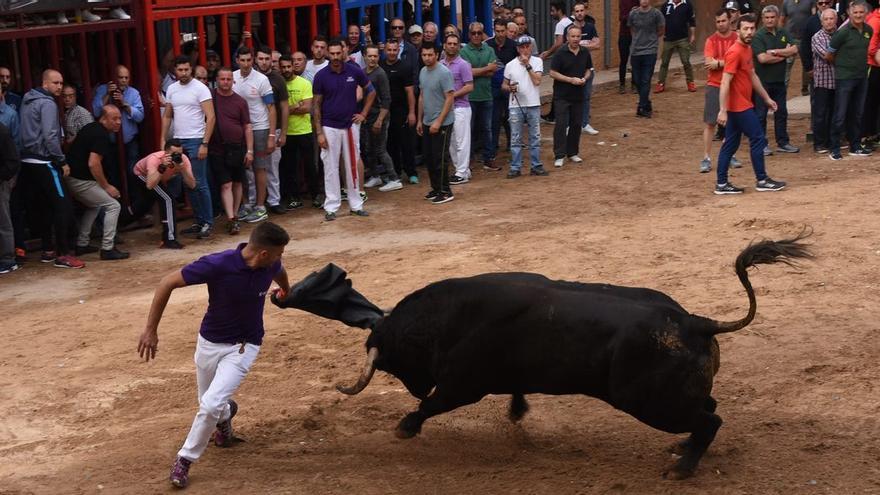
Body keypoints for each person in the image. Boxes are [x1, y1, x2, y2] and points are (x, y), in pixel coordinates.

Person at [137, 221, 290, 489]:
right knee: (208, 402)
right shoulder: (218, 264)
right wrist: (150, 330)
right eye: (279, 252)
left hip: (245, 345)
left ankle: (184, 459)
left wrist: (287, 291)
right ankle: (226, 416)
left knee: (209, 405)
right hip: (209, 343)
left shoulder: (271, 265)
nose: (281, 258)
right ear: (264, 253)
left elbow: (281, 273)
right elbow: (166, 283)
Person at [19, 70, 84, 269]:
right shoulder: (47, 104)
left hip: (27, 160)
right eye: (55, 83)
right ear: (45, 83)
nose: (59, 87)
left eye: (61, 83)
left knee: (44, 206)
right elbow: (50, 136)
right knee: (63, 206)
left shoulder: (27, 100)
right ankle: (64, 254)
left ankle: (48, 249)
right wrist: (61, 160)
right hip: (44, 161)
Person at [716, 14, 787, 194]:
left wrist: (766, 98)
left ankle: (722, 184)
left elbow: (752, 75)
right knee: (758, 138)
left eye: (752, 28)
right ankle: (761, 180)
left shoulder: (747, 49)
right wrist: (723, 110)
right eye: (745, 29)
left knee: (730, 144)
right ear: (737, 30)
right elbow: (725, 82)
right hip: (739, 106)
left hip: (741, 104)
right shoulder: (734, 52)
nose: (749, 32)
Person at [312, 39, 375, 221]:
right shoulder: (321, 75)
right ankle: (331, 206)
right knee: (330, 167)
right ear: (327, 54)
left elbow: (371, 91)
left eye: (338, 53)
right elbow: (316, 105)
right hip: (329, 125)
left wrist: (363, 113)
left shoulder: (354, 70)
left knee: (352, 165)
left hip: (349, 125)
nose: (335, 57)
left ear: (343, 52)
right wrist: (319, 133)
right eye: (332, 54)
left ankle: (356, 205)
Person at [63, 105, 129, 260]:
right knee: (113, 205)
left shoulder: (92, 128)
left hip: (74, 178)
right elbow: (93, 163)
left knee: (95, 205)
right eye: (114, 119)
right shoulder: (101, 135)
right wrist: (107, 187)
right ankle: (107, 247)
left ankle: (82, 244)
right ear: (104, 119)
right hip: (80, 180)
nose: (119, 122)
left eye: (120, 118)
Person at [161, 56, 216, 239]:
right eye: (180, 70)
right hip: (178, 141)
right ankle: (199, 220)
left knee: (199, 182)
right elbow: (168, 116)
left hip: (196, 139)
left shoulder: (200, 89)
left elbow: (211, 116)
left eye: (186, 70)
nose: (183, 73)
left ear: (191, 69)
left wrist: (205, 143)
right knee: (187, 182)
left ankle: (207, 222)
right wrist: (163, 139)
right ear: (175, 70)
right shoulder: (172, 89)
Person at [232, 47, 275, 224]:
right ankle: (246, 205)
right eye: (243, 60)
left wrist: (271, 135)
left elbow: (271, 109)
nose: (246, 63)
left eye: (249, 60)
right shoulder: (232, 77)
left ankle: (260, 206)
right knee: (241, 168)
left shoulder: (262, 80)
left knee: (260, 167)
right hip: (239, 128)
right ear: (237, 60)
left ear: (253, 60)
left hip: (259, 127)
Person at [130, 139, 197, 248]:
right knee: (168, 199)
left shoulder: (183, 159)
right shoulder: (155, 159)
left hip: (160, 178)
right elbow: (150, 185)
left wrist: (182, 169)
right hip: (141, 174)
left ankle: (123, 218)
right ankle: (169, 239)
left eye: (180, 153)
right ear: (166, 153)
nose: (177, 156)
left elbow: (192, 185)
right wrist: (162, 167)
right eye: (174, 154)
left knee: (144, 204)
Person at [827, 0, 873, 160]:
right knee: (840, 114)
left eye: (861, 12)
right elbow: (829, 54)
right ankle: (834, 148)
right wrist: (842, 66)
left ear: (866, 13)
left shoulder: (868, 30)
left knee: (858, 113)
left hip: (862, 77)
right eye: (856, 12)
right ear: (849, 13)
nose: (859, 15)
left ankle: (855, 146)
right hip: (845, 78)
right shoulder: (842, 32)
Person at [752, 5, 800, 155]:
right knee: (761, 114)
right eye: (766, 18)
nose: (769, 20)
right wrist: (784, 55)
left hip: (779, 81)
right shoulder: (758, 36)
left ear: (778, 18)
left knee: (781, 112)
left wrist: (775, 52)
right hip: (762, 82)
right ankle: (761, 144)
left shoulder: (783, 32)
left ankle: (783, 142)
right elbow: (762, 59)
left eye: (772, 17)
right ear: (763, 19)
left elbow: (795, 50)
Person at [210, 67, 253, 235]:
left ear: (233, 81)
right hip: (217, 148)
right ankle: (230, 218)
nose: (225, 82)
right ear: (217, 80)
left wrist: (249, 150)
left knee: (237, 182)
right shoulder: (210, 97)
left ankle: (234, 215)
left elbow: (247, 127)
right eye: (222, 79)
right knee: (226, 183)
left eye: (228, 79)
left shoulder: (240, 101)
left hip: (237, 148)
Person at [91, 65, 146, 195]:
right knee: (112, 173)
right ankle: (119, 205)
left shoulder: (133, 93)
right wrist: (107, 95)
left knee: (133, 172)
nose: (123, 80)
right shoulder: (102, 89)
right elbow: (95, 112)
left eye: (126, 78)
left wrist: (125, 104)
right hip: (109, 142)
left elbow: (140, 117)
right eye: (120, 77)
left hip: (129, 141)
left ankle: (134, 205)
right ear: (114, 78)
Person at [701, 9, 743, 173]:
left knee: (732, 123)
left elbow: (737, 61)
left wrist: (718, 64)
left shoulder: (737, 38)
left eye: (723, 21)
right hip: (714, 85)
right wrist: (726, 62)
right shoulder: (711, 40)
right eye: (718, 21)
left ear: (730, 20)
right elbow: (707, 62)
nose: (721, 24)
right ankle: (706, 157)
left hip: (733, 85)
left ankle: (730, 155)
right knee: (710, 123)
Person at [279, 54, 320, 210]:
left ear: (293, 66)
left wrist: (286, 110)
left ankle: (316, 195)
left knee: (310, 165)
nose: (286, 69)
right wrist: (295, 106)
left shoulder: (304, 83)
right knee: (290, 168)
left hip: (304, 131)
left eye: (289, 66)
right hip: (286, 132)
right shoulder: (278, 84)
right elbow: (278, 110)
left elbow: (307, 108)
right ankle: (294, 197)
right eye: (283, 67)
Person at [502, 36, 546, 178]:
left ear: (531, 47)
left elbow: (537, 81)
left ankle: (536, 165)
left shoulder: (537, 61)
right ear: (518, 49)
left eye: (527, 47)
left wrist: (528, 65)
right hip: (515, 104)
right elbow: (504, 84)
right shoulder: (510, 65)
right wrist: (509, 88)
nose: (525, 50)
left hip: (533, 104)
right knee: (516, 138)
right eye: (522, 47)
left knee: (535, 137)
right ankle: (515, 167)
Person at [361, 46, 403, 193]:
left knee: (380, 149)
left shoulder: (380, 74)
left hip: (379, 117)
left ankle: (394, 178)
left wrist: (380, 120)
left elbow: (386, 99)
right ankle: (375, 175)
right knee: (369, 149)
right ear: (364, 56)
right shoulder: (363, 72)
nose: (372, 59)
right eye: (370, 56)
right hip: (368, 117)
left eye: (375, 56)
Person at [418, 44, 456, 205]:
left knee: (440, 157)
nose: (427, 57)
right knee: (429, 156)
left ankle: (446, 190)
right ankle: (435, 188)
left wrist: (439, 121)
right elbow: (421, 96)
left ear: (437, 55)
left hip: (443, 122)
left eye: (430, 54)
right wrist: (420, 120)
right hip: (427, 121)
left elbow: (450, 97)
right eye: (424, 55)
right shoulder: (422, 72)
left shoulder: (444, 73)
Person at [550, 25, 592, 168]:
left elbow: (588, 70)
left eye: (578, 36)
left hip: (578, 95)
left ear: (581, 37)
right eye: (572, 36)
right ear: (567, 37)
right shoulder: (560, 53)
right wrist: (570, 80)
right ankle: (559, 155)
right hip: (562, 95)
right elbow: (552, 73)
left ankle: (573, 152)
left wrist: (585, 79)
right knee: (561, 124)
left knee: (576, 124)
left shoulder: (585, 52)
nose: (575, 39)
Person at [256, 46, 290, 216]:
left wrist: (283, 133)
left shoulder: (278, 79)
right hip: (255, 129)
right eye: (260, 59)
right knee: (254, 168)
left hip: (274, 129)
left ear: (271, 60)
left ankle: (274, 201)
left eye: (266, 59)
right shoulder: (251, 78)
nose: (263, 62)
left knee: (272, 167)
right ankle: (256, 203)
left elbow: (284, 108)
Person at [460, 22, 499, 172]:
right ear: (469, 35)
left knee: (487, 128)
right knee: (469, 129)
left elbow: (493, 71)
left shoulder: (489, 49)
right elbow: (467, 73)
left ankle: (488, 158)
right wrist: (486, 68)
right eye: (473, 33)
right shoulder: (464, 52)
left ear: (482, 34)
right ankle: (468, 159)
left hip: (486, 95)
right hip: (469, 97)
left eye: (479, 33)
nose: (476, 35)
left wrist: (476, 71)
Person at [381, 38, 419, 183]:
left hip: (401, 110)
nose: (391, 53)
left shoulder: (405, 67)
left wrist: (411, 112)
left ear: (398, 50)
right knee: (391, 143)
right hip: (385, 110)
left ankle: (411, 172)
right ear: (385, 51)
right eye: (389, 50)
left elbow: (410, 92)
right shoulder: (381, 66)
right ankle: (395, 173)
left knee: (406, 143)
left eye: (394, 50)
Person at [440, 34, 474, 185]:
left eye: (455, 44)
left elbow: (469, 86)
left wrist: (451, 96)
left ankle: (461, 172)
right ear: (444, 45)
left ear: (459, 46)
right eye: (449, 43)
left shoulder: (463, 64)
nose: (452, 46)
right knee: (452, 141)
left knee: (462, 140)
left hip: (461, 107)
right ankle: (462, 170)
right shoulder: (440, 65)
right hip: (447, 108)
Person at [566, 1, 602, 134]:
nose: (580, 13)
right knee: (570, 98)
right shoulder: (568, 29)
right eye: (577, 11)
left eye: (582, 10)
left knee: (586, 97)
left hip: (587, 68)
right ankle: (569, 125)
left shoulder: (591, 27)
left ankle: (585, 124)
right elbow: (567, 47)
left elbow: (597, 45)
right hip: (571, 70)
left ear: (585, 11)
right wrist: (588, 45)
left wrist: (580, 46)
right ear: (573, 13)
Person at [628, 0, 665, 118]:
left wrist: (651, 39)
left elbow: (661, 30)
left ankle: (642, 107)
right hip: (636, 51)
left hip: (650, 51)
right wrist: (638, 40)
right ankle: (647, 103)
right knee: (637, 80)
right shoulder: (633, 14)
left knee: (645, 79)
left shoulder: (656, 14)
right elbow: (632, 29)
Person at [487, 19, 517, 162]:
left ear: (506, 30)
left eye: (502, 31)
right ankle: (492, 149)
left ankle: (514, 147)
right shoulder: (488, 45)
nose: (499, 34)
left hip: (509, 87)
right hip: (493, 87)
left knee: (511, 118)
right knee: (494, 119)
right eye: (497, 31)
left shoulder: (513, 46)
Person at [540, 1, 574, 122]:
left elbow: (558, 43)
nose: (551, 13)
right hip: (571, 58)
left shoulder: (561, 24)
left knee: (559, 86)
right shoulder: (571, 21)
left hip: (563, 58)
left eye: (553, 10)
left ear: (559, 10)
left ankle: (554, 114)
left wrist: (547, 53)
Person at [811, 8, 838, 154]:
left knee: (834, 112)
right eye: (826, 19)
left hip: (838, 80)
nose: (829, 21)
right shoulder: (817, 37)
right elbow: (827, 56)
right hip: (822, 81)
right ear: (822, 21)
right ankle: (819, 143)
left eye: (831, 18)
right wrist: (844, 58)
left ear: (836, 19)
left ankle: (831, 141)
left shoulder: (840, 34)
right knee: (820, 113)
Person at [656, 0, 696, 93]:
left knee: (686, 61)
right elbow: (661, 21)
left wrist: (693, 34)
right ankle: (661, 83)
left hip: (682, 39)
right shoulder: (666, 5)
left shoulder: (687, 4)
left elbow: (692, 21)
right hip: (668, 39)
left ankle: (691, 83)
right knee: (664, 62)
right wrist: (662, 34)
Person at [781, 0, 816, 95]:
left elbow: (814, 16)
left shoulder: (810, 1)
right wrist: (781, 36)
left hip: (805, 38)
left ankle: (805, 87)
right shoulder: (786, 2)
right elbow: (782, 19)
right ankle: (783, 89)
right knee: (788, 64)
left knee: (806, 63)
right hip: (791, 38)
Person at [0, 122, 19, 274]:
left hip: (1, 183)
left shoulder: (2, 131)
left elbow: (13, 162)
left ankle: (8, 260)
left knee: (3, 222)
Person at [862, 1, 880, 147]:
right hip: (873, 67)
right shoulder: (875, 20)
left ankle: (874, 134)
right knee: (869, 102)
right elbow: (871, 48)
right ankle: (865, 136)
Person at [618, 0, 640, 93]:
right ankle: (622, 84)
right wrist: (632, 13)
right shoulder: (623, 1)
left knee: (635, 59)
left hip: (636, 35)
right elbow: (621, 18)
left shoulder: (639, 1)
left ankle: (634, 84)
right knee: (623, 60)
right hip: (624, 34)